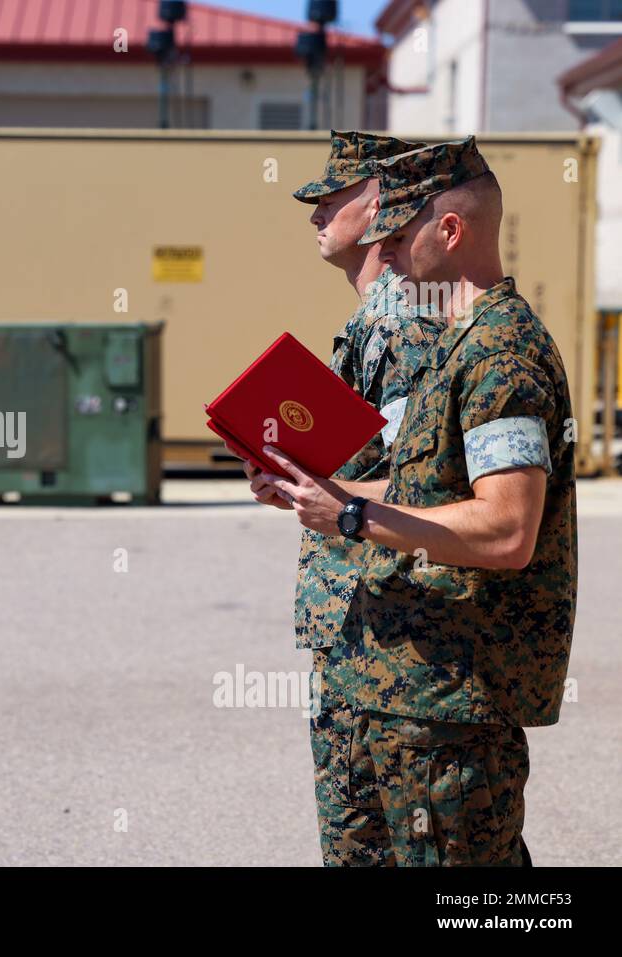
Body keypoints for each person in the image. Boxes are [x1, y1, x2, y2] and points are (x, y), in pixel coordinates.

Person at [259, 138, 577, 866]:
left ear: (451, 232)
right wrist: (327, 492)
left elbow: (507, 527)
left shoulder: (501, 353)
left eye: (399, 237)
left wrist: (350, 514)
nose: (386, 254)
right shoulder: (463, 346)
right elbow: (427, 490)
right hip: (403, 687)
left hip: (450, 701)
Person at [255, 130, 440, 866]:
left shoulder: (406, 322)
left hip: (394, 635)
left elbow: (423, 478)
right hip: (357, 626)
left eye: (328, 198)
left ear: (376, 204)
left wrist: (331, 494)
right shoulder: (372, 322)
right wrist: (296, 483)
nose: (314, 214)